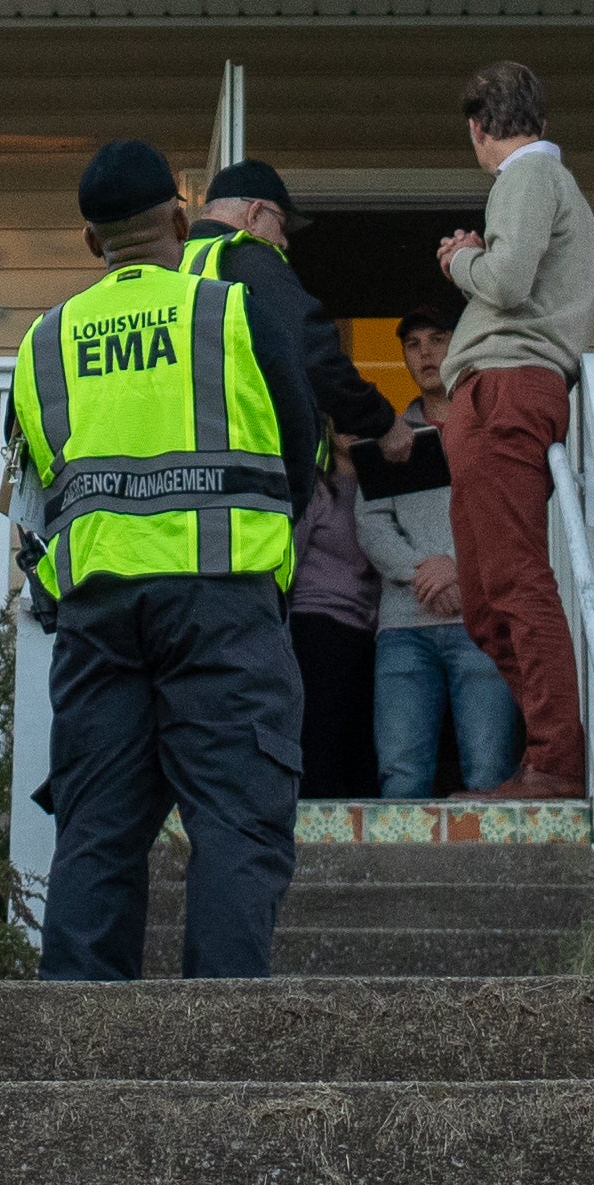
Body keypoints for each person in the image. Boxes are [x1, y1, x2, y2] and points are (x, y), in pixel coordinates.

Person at [8, 138, 330, 980]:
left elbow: (37, 490)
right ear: (183, 223)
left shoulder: (45, 342)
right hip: (223, 605)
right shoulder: (233, 311)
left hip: (100, 617)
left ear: (90, 241)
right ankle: (215, 1046)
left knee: (97, 827)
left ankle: (74, 1048)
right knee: (235, 821)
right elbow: (300, 448)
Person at [190, 157, 397, 797]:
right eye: (282, 228)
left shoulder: (174, 269)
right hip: (246, 501)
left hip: (174, 510)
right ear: (257, 215)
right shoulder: (247, 258)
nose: (284, 245)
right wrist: (378, 418)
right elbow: (313, 351)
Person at [431, 56, 594, 799]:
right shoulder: (545, 183)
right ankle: (551, 749)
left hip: (505, 388)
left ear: (477, 129)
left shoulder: (526, 177)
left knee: (518, 582)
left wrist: (462, 259)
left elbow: (504, 282)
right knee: (485, 598)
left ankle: (556, 763)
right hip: (496, 391)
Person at [356, 310, 520, 794]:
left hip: (481, 621)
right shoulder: (390, 436)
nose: (425, 352)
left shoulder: (489, 427)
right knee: (401, 777)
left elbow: (508, 512)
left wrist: (457, 569)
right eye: (413, 344)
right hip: (404, 626)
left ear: (459, 343)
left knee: (490, 771)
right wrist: (422, 571)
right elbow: (370, 521)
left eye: (437, 338)